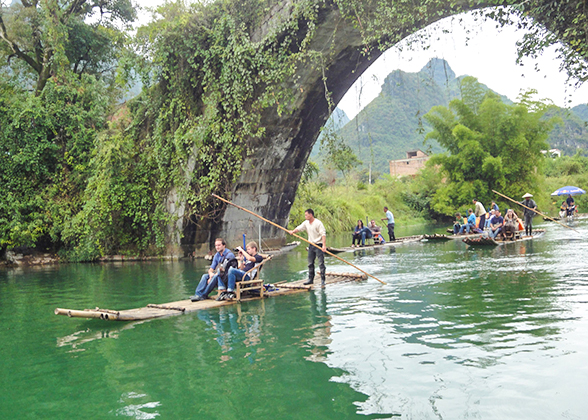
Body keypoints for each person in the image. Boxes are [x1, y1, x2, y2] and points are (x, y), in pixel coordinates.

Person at [288, 209, 326, 286]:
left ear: (311, 215)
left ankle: (322, 279)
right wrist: (293, 231)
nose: (305, 216)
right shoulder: (306, 223)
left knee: (321, 263)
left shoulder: (318, 223)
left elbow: (323, 234)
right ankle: (310, 279)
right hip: (311, 245)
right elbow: (299, 228)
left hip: (318, 244)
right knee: (310, 263)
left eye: (306, 215)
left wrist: (324, 245)